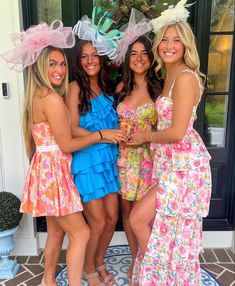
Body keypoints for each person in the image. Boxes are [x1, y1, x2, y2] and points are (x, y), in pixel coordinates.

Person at [1, 20, 125, 286]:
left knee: (56, 232)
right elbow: (67, 144)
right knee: (80, 234)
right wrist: (101, 135)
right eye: (52, 64)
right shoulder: (53, 99)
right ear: (39, 67)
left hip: (46, 171)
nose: (59, 70)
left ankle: (48, 280)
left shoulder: (38, 96)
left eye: (61, 64)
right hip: (54, 175)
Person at [127, 1, 212, 285]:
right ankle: (164, 276)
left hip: (183, 167)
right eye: (164, 39)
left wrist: (145, 136)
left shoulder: (185, 78)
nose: (169, 45)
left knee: (141, 220)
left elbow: (177, 132)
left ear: (186, 44)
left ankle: (162, 277)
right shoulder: (169, 76)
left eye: (177, 40)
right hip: (170, 164)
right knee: (162, 228)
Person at [66, 10, 126, 286]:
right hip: (88, 161)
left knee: (113, 218)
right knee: (98, 223)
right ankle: (89, 269)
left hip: (109, 162)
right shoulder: (75, 87)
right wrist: (103, 135)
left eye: (94, 55)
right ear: (78, 61)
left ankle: (99, 261)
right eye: (84, 56)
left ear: (101, 59)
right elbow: (72, 128)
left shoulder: (106, 87)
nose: (90, 61)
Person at [115, 34, 162, 284]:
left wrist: (145, 136)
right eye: (133, 53)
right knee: (127, 213)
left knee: (144, 218)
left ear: (150, 57)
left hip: (148, 162)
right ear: (128, 59)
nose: (139, 58)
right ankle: (136, 259)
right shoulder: (122, 89)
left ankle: (151, 263)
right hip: (124, 161)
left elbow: (169, 129)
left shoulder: (159, 88)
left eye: (144, 53)